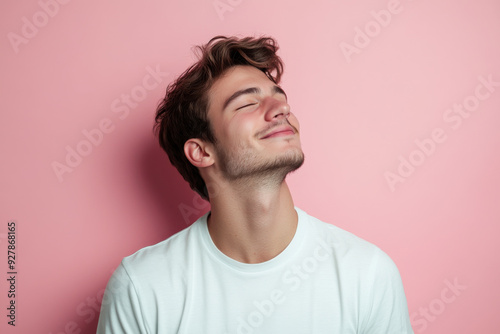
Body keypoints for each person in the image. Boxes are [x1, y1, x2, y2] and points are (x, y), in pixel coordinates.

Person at [96, 35, 413, 334]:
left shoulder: (367, 273)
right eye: (247, 104)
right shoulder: (142, 287)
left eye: (280, 98)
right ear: (202, 151)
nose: (282, 109)